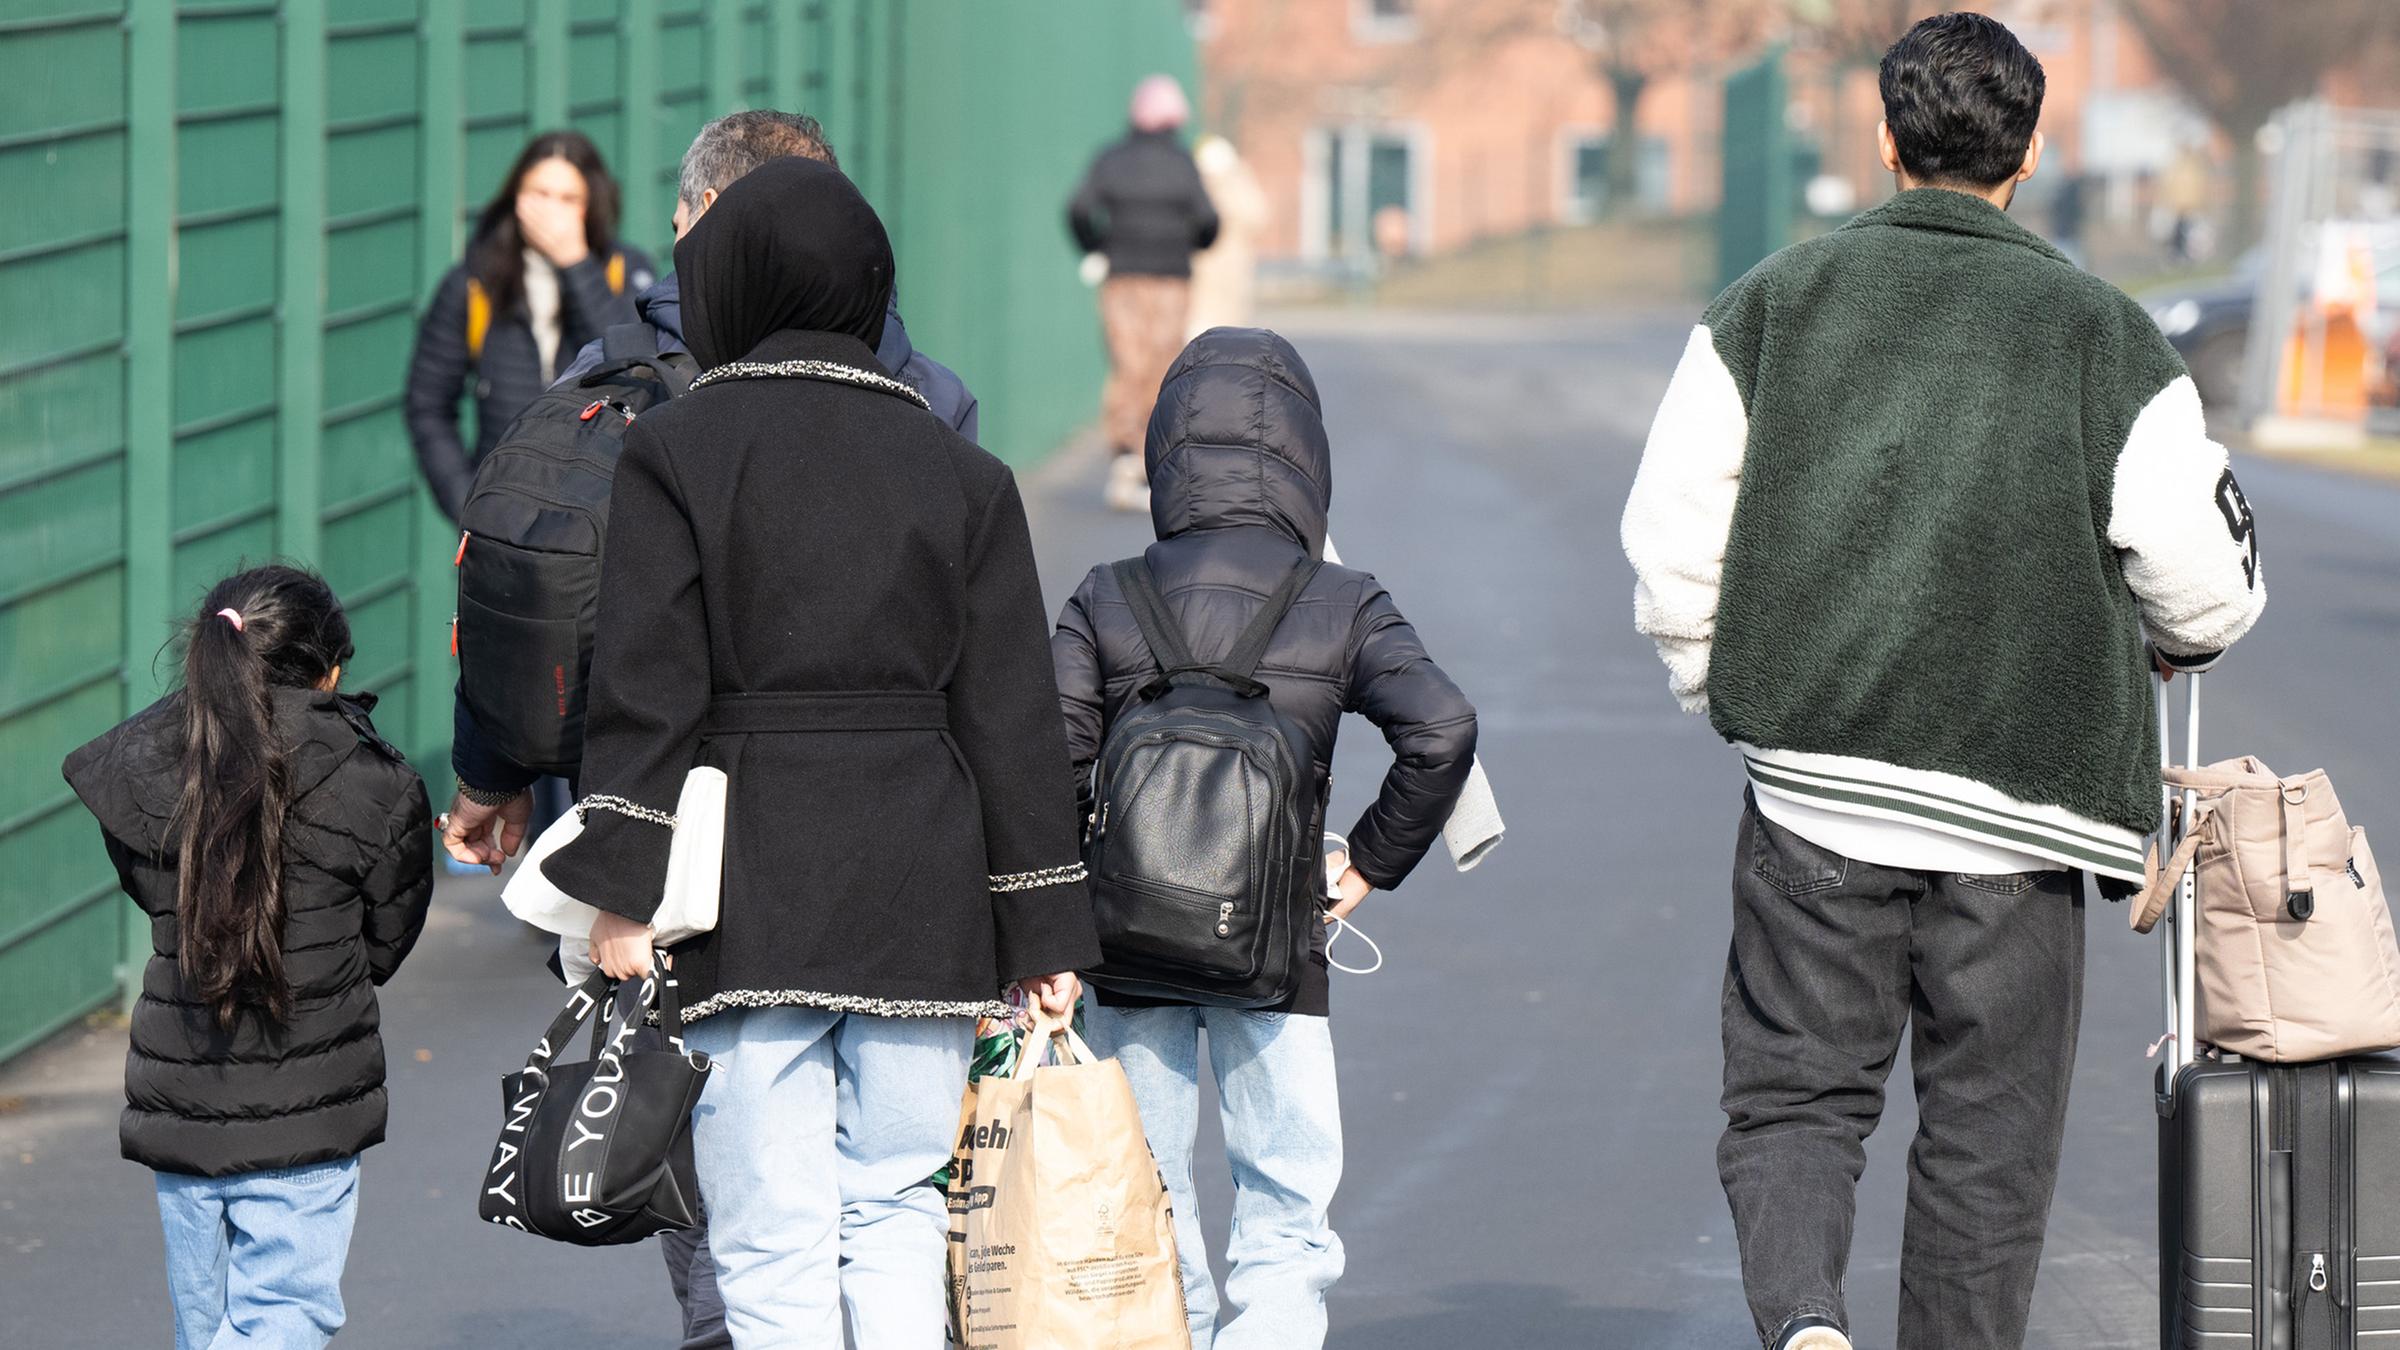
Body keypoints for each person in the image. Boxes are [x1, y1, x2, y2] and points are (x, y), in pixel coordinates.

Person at [1620, 15, 2265, 1350]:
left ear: (1883, 138)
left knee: (1797, 1096)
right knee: (1992, 1133)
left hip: (1814, 793)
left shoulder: (1772, 302)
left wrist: (1734, 689)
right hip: (2021, 822)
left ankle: (1804, 1321)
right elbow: (2207, 588)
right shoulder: (2108, 335)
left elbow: (1670, 541)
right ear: (2030, 154)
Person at [433, 112, 987, 1350]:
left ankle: (728, 1329)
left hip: (649, 832)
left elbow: (527, 586)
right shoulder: (924, 403)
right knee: (884, 1173)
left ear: (696, 228)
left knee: (704, 1129)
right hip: (897, 839)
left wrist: (494, 779)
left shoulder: (611, 388)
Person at [540, 156, 1097, 1347]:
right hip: (925, 890)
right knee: (898, 1208)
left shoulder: (679, 452)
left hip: (754, 890)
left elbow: (646, 693)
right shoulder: (965, 473)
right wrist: (1044, 928)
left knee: (767, 1233)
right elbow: (1008, 715)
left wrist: (620, 897)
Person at [1053, 327, 1479, 1349]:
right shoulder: (1341, 600)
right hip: (1276, 944)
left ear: (1163, 450)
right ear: (1305, 457)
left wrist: (1064, 918)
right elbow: (1443, 728)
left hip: (1126, 949)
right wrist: (1367, 863)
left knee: (1141, 1195)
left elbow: (1049, 762)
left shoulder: (1109, 592)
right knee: (1286, 1207)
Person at [60, 565, 433, 1350]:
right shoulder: (377, 780)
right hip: (307, 1098)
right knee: (288, 1316)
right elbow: (388, 935)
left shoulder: (151, 759)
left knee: (208, 1328)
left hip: (184, 1105)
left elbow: (148, 883)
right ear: (331, 670)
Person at [403, 130, 654, 524]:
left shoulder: (626, 272)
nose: (551, 211)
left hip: (600, 517)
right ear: (515, 198)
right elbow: (428, 404)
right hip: (504, 519)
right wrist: (468, 503)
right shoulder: (474, 283)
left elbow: (634, 361)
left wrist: (574, 262)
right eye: (539, 193)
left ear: (593, 205)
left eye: (569, 199)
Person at [1067, 74, 1220, 512]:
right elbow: (1209, 220)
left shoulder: (1110, 160)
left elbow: (1079, 208)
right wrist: (1193, 244)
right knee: (1161, 362)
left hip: (1122, 276)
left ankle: (1125, 455)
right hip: (1172, 277)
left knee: (1125, 361)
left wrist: (1095, 246)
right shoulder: (1183, 164)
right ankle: (1153, 459)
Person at [1187, 134, 1270, 338]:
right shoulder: (1198, 187)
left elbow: (1257, 217)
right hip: (1204, 273)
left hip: (1230, 271)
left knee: (1227, 328)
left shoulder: (1238, 186)